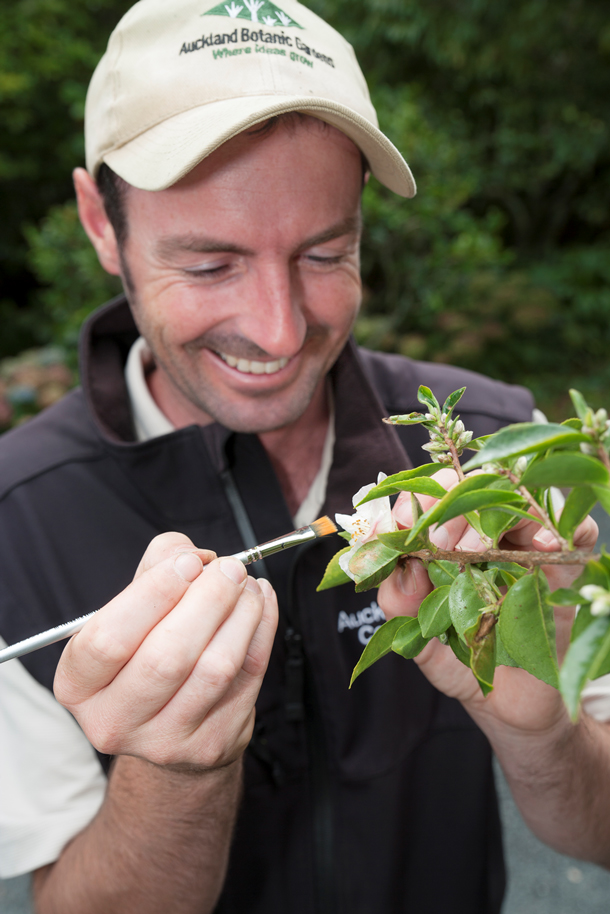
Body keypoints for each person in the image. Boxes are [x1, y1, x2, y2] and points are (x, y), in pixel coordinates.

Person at [0, 1, 606, 912]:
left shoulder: (494, 449)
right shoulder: (19, 520)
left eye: (327, 252)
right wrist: (177, 775)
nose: (281, 333)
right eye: (209, 265)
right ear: (99, 221)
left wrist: (542, 732)